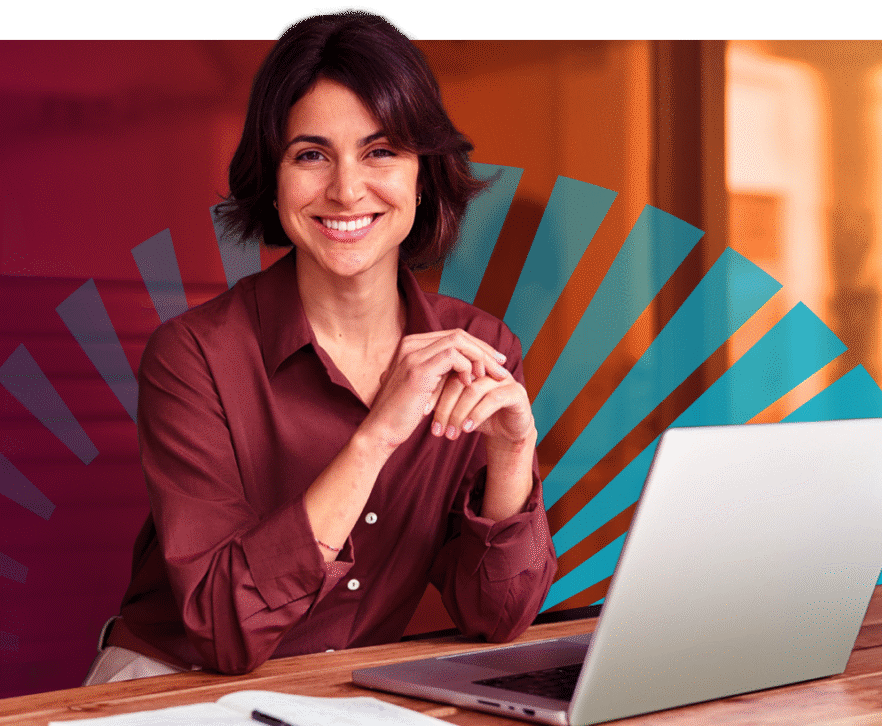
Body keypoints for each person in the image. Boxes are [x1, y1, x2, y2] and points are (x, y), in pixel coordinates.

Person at [84, 11, 557, 685]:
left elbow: (498, 616)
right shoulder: (193, 357)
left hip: (349, 693)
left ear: (423, 176)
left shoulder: (481, 348)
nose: (345, 189)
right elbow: (224, 632)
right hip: (170, 688)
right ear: (273, 181)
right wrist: (374, 438)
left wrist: (511, 456)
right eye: (311, 155)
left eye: (381, 151)